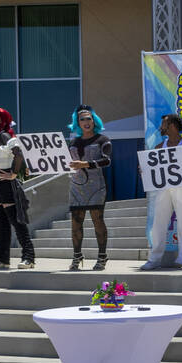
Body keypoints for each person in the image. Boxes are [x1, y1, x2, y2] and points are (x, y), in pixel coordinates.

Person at [140, 114, 182, 270]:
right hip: (163, 189)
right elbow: (151, 170)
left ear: (173, 126)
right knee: (158, 224)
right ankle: (154, 259)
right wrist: (144, 170)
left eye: (164, 124)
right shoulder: (159, 147)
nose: (161, 127)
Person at [0, 108, 34, 270]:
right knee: (2, 223)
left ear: (2, 121)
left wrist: (14, 174)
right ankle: (2, 259)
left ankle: (28, 257)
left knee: (15, 221)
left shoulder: (5, 136)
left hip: (5, 184)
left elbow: (18, 154)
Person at [67, 105, 112, 271]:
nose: (86, 122)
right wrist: (36, 167)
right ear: (77, 122)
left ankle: (102, 256)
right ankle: (77, 255)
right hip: (76, 186)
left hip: (96, 186)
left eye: (89, 118)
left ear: (94, 121)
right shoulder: (73, 141)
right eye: (82, 119)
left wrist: (86, 163)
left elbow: (107, 160)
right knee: (75, 223)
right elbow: (62, 162)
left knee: (97, 220)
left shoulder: (103, 139)